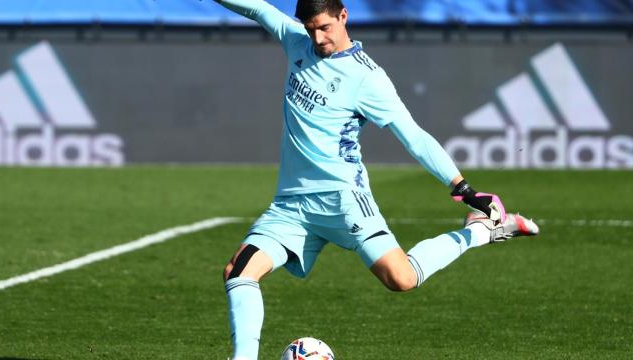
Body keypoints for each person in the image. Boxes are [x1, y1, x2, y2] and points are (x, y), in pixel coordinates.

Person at [214, 1, 539, 359]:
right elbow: (259, 8)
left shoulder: (367, 78)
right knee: (239, 271)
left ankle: (480, 230)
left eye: (324, 27)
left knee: (402, 279)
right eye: (310, 29)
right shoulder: (297, 42)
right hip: (291, 206)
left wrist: (462, 187)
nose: (318, 38)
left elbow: (413, 136)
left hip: (345, 200)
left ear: (343, 16)